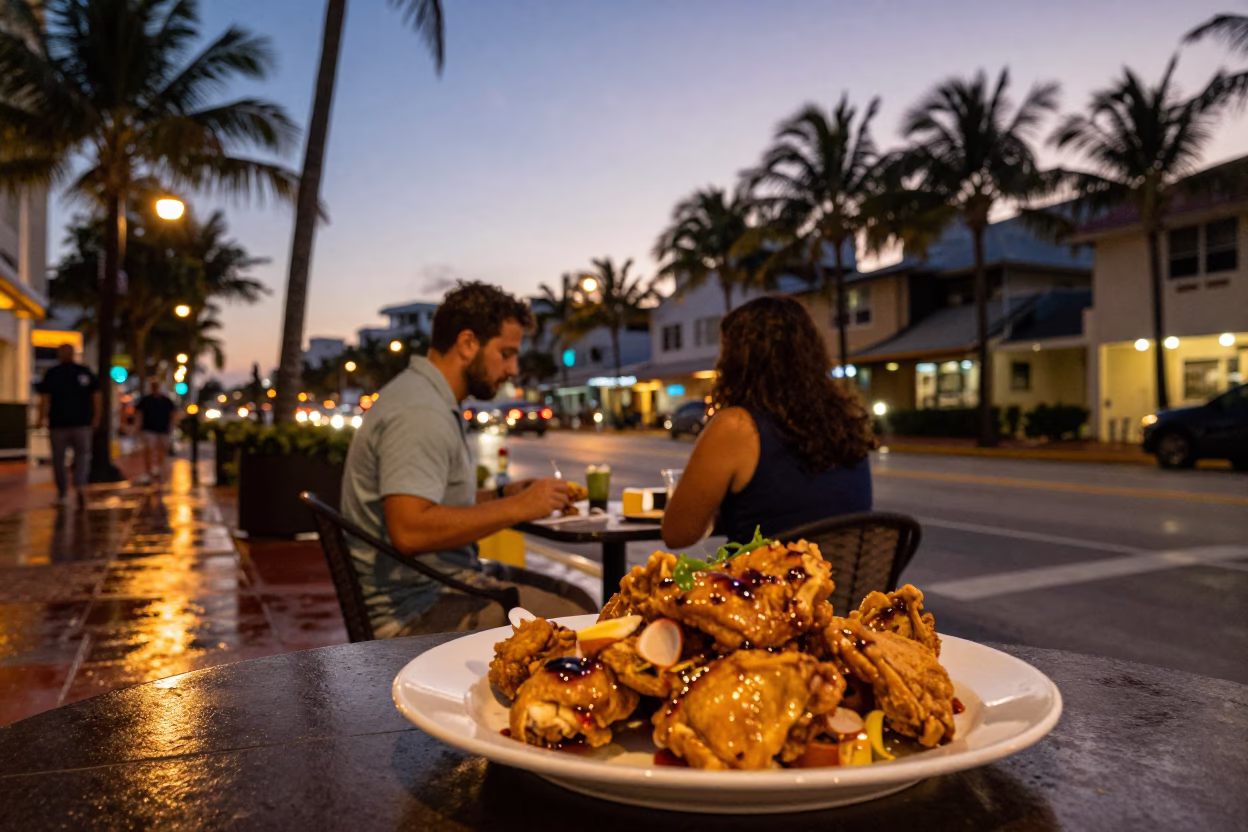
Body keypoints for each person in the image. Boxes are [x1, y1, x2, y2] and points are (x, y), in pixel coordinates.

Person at [341, 281, 583, 638]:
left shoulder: (427, 397)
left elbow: (436, 506)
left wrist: (505, 496)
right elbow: (410, 530)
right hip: (414, 610)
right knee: (579, 614)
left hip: (439, 582)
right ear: (468, 343)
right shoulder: (421, 410)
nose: (514, 369)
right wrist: (520, 508)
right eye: (506, 353)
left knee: (574, 598)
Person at [661, 296, 874, 548]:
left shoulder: (737, 425)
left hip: (765, 584)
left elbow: (677, 534)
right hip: (842, 583)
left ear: (737, 360)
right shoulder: (846, 422)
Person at [36, 344, 100, 508]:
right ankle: (72, 488)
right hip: (67, 423)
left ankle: (71, 490)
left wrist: (96, 416)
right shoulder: (59, 373)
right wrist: (41, 417)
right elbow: (44, 398)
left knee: (68, 458)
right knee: (74, 458)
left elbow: (96, 395)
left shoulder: (63, 373)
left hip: (69, 423)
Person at [135, 379, 176, 483]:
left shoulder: (167, 401)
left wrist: (171, 426)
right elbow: (139, 413)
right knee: (148, 450)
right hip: (149, 429)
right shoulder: (146, 400)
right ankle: (149, 471)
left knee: (162, 450)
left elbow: (173, 414)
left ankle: (160, 469)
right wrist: (138, 426)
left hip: (163, 429)